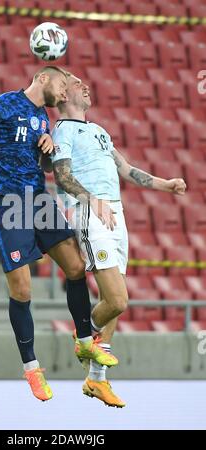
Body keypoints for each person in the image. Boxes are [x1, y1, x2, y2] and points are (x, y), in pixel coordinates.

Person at [0, 66, 116, 402]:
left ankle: (85, 341)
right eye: (61, 85)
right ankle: (31, 368)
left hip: (39, 199)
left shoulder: (45, 120)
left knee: (75, 266)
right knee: (23, 289)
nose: (63, 93)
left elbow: (44, 167)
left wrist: (46, 152)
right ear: (42, 78)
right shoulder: (5, 103)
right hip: (9, 203)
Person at [51, 73, 187, 407]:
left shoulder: (98, 131)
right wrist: (92, 201)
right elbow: (61, 175)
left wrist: (164, 184)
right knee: (118, 300)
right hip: (91, 211)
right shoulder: (63, 130)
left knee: (117, 302)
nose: (86, 85)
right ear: (63, 93)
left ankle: (97, 381)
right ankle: (84, 332)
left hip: (116, 214)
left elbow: (126, 170)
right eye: (77, 83)